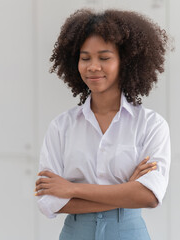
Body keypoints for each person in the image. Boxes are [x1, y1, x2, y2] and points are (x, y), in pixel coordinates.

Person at [34, 8, 171, 240]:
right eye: (85, 58)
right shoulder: (61, 126)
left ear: (125, 62)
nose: (92, 67)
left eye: (104, 58)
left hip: (128, 232)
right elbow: (49, 201)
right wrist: (125, 191)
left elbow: (149, 196)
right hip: (75, 233)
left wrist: (73, 189)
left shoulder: (151, 125)